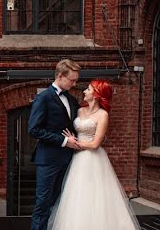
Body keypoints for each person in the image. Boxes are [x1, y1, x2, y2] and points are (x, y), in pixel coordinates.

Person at [49, 79, 140, 230]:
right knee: (77, 195)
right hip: (78, 159)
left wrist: (73, 143)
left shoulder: (103, 115)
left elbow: (95, 144)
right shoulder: (79, 110)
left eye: (88, 89)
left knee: (96, 194)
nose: (84, 91)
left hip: (93, 158)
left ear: (97, 95)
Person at [28, 58, 81, 230]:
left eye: (75, 80)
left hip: (69, 161)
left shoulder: (72, 100)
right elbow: (34, 129)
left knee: (60, 203)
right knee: (43, 204)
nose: (74, 83)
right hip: (48, 160)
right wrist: (65, 141)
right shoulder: (43, 98)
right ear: (60, 76)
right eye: (72, 80)